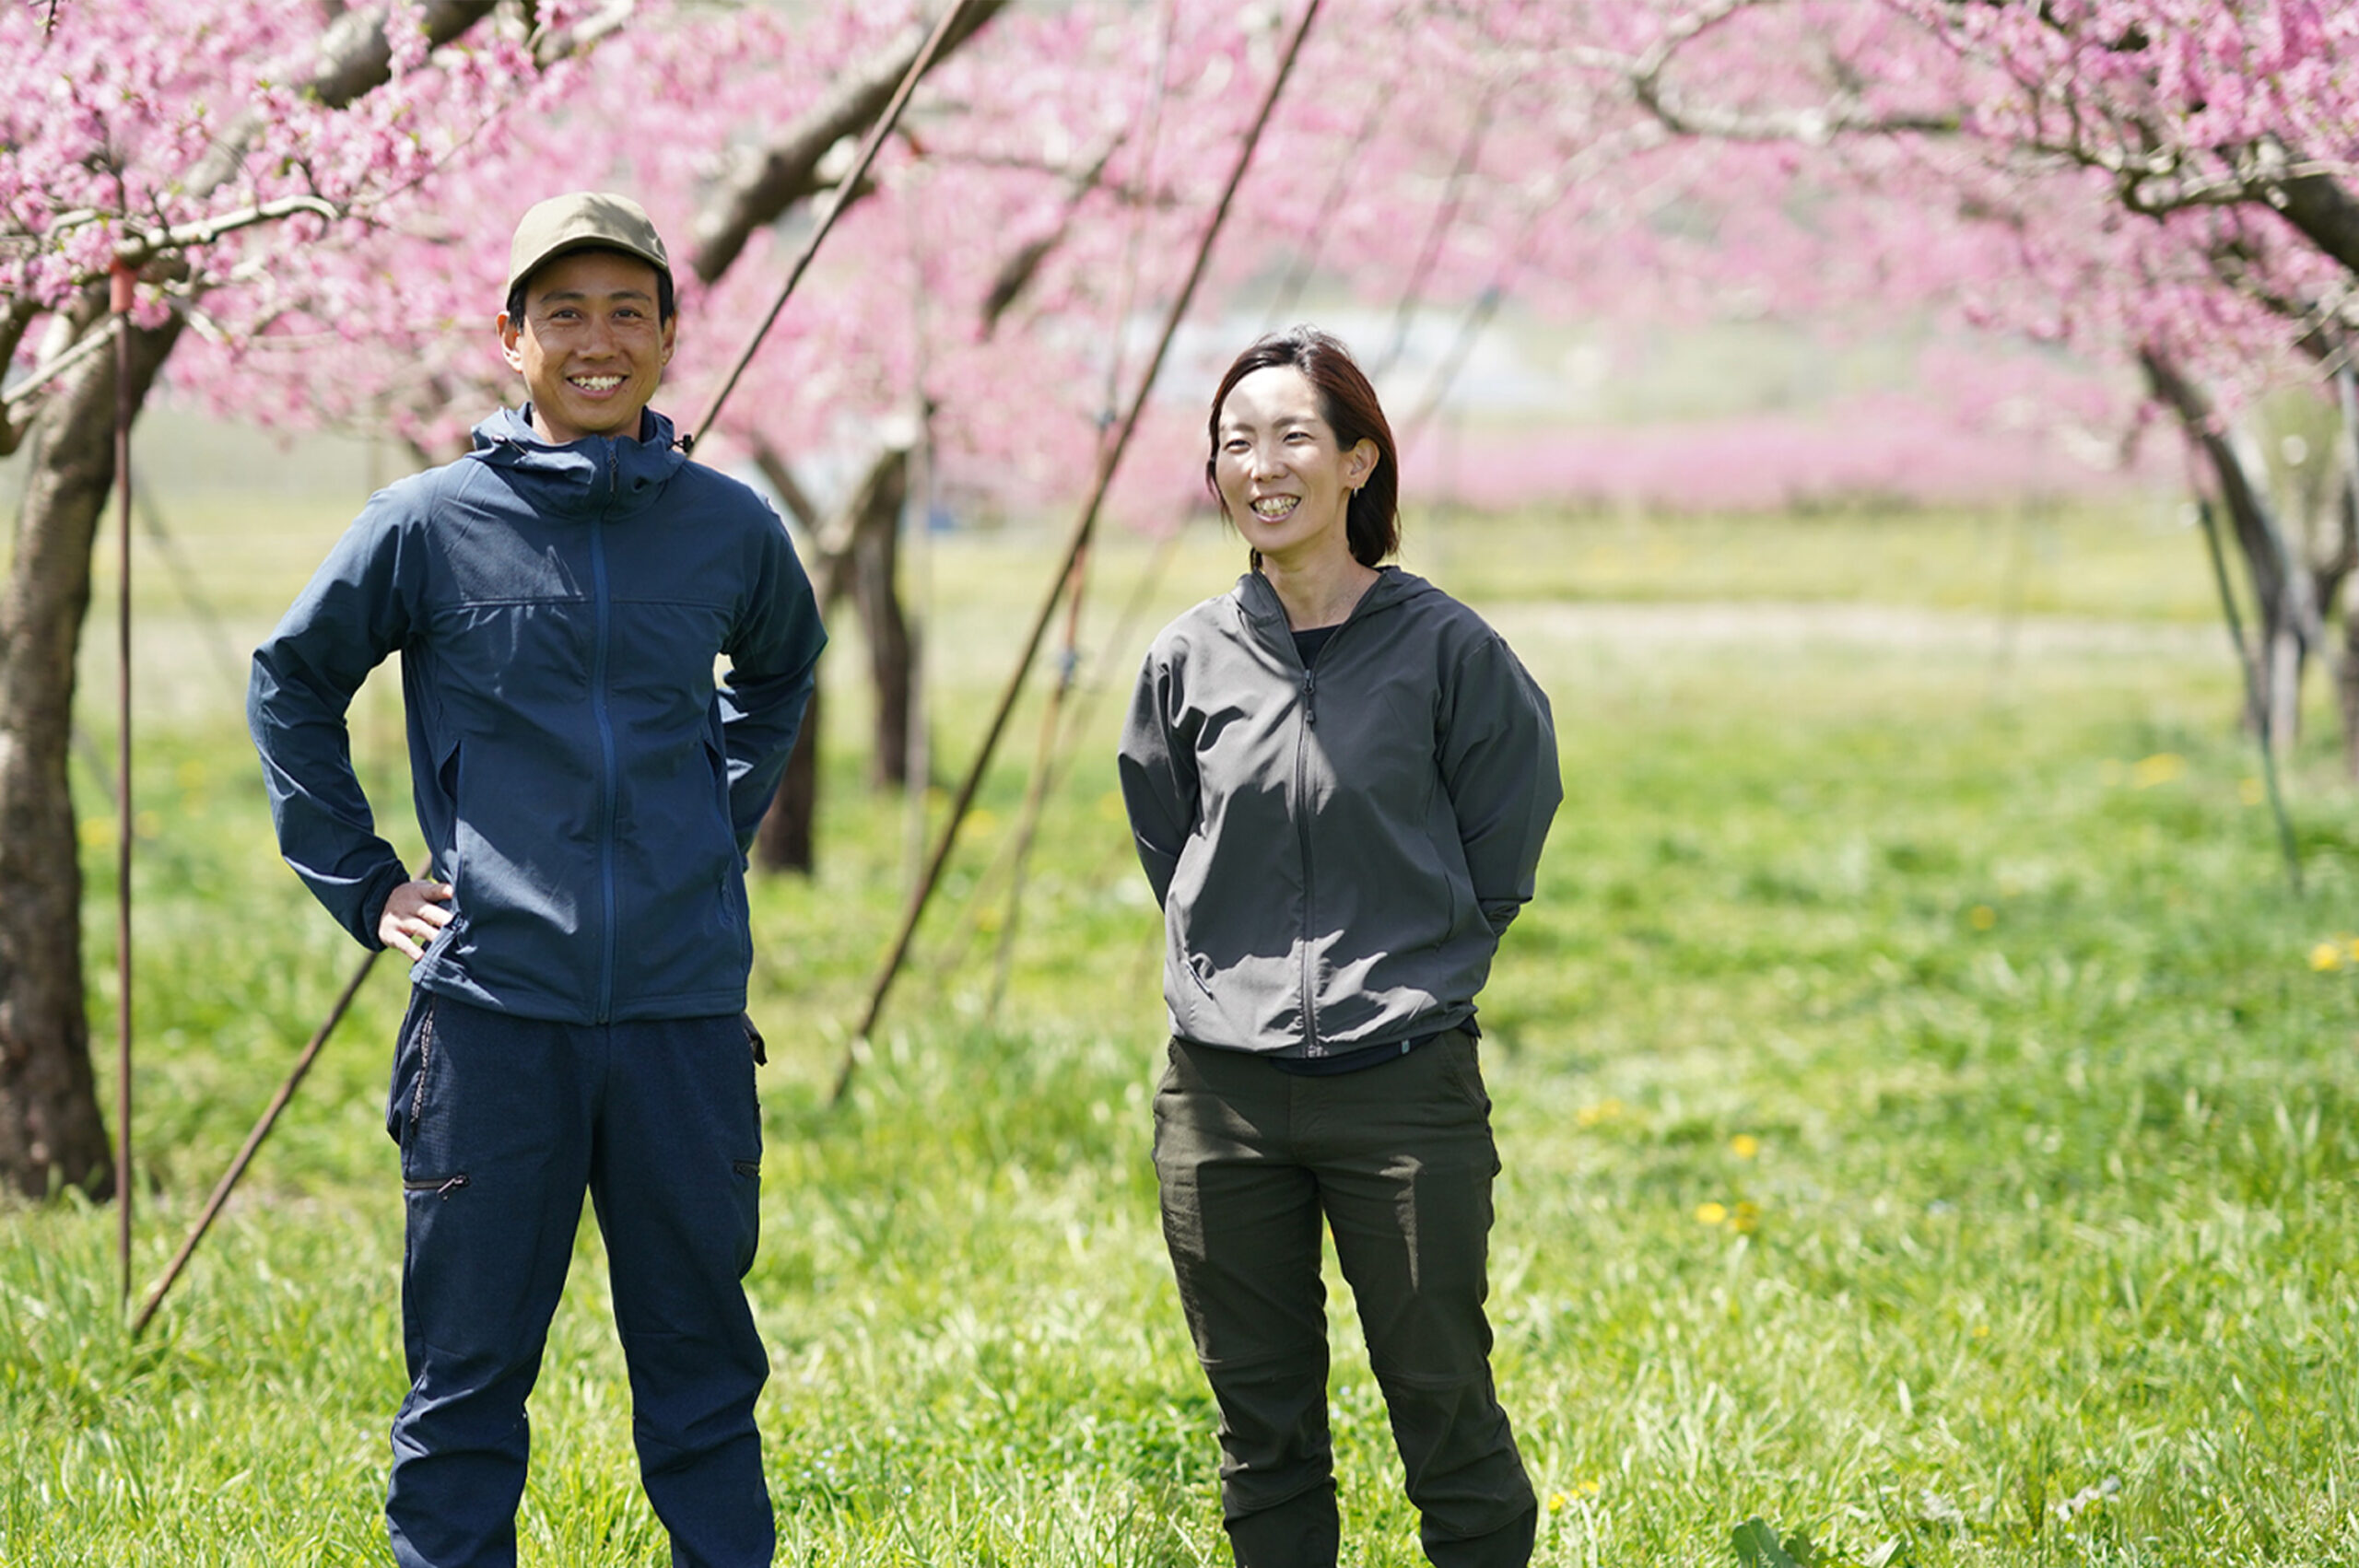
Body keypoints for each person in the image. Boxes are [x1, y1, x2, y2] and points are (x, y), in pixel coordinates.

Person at [249, 192, 826, 1568]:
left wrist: (712, 815)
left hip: (683, 1019)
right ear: (509, 339)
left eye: (628, 310)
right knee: (464, 1386)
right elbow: (293, 681)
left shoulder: (729, 527)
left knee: (703, 1379)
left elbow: (783, 667)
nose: (597, 339)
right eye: (562, 311)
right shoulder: (429, 522)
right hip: (493, 1015)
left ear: (672, 336)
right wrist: (367, 880)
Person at [1117, 327, 1561, 1567]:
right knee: (1261, 1429)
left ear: (1361, 459)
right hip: (1221, 1097)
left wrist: (1411, 958)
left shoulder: (1448, 651)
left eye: (1295, 435)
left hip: (1402, 1088)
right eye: (1236, 440)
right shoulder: (1188, 659)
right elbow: (1171, 835)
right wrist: (1236, 970)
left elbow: (1504, 835)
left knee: (1441, 1402)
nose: (1263, 463)